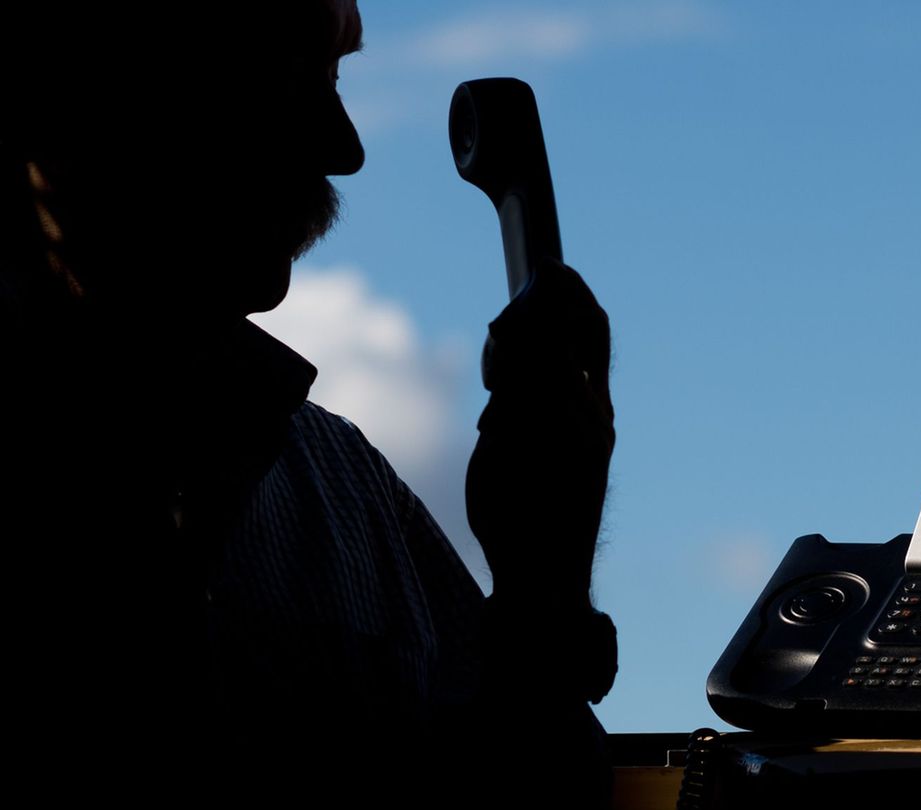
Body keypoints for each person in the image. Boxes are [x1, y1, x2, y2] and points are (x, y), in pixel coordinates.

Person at [1, 0, 617, 797]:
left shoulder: (347, 485)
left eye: (334, 75)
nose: (345, 147)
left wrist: (543, 590)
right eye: (283, 76)